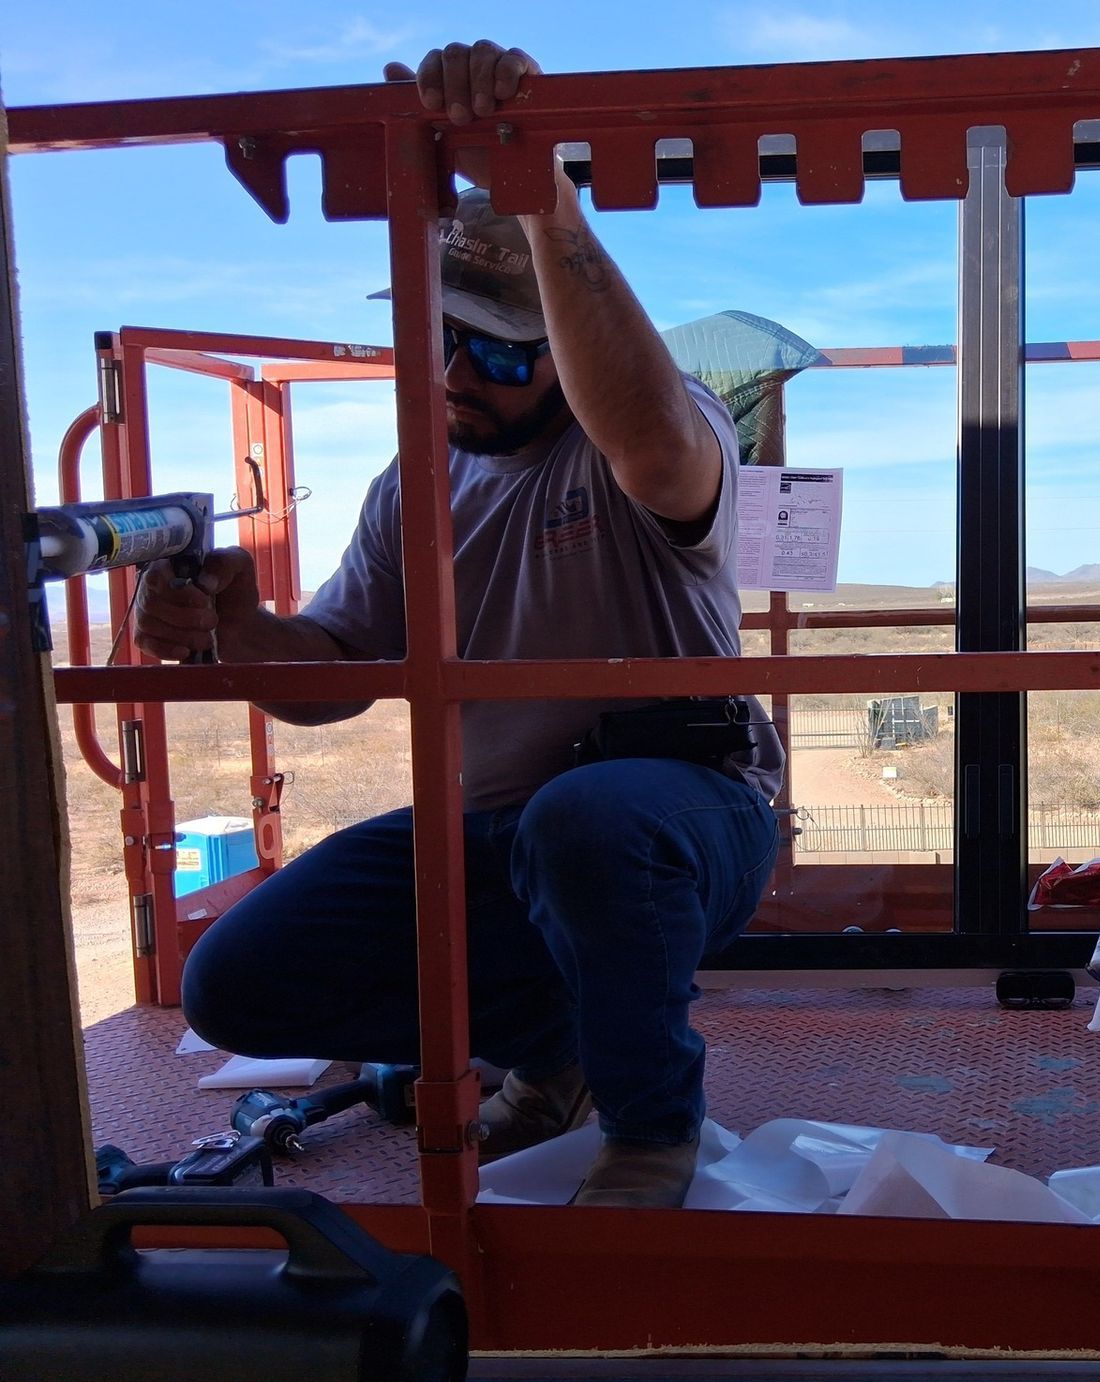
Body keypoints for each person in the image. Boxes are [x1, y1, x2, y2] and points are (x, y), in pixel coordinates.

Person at [133, 42, 784, 1208]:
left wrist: (542, 198)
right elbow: (330, 676)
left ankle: (650, 1132)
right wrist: (240, 624)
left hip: (689, 810)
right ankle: (557, 1051)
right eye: (439, 343)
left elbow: (644, 430)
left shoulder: (648, 436)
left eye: (495, 350)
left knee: (588, 822)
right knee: (236, 979)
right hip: (505, 833)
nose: (457, 376)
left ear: (565, 356)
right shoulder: (414, 485)